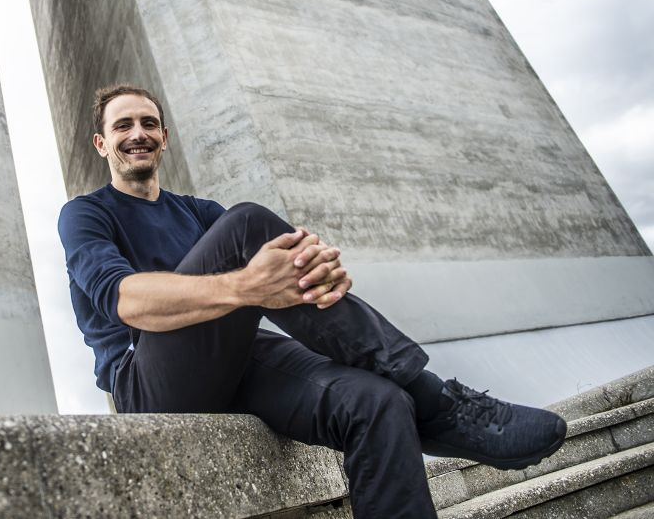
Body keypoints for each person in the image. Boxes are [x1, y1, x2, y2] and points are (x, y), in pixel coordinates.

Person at [58, 84, 567, 518]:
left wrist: (317, 271)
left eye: (149, 123)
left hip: (239, 359)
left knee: (377, 401)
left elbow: (278, 269)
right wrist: (245, 286)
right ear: (103, 143)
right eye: (123, 126)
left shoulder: (197, 211)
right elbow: (127, 302)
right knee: (248, 224)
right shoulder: (85, 215)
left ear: (164, 137)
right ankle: (439, 403)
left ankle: (422, 401)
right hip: (148, 384)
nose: (138, 133)